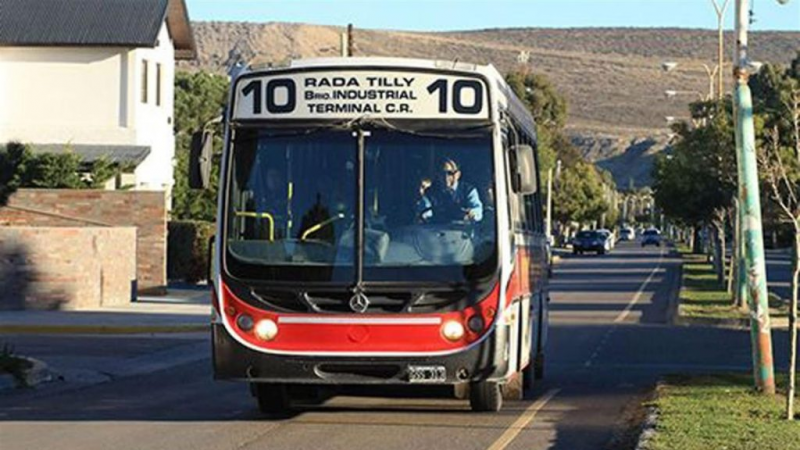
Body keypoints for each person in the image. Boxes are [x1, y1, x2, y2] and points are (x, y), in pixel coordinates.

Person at [416, 158, 483, 224]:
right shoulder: (430, 192)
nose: (446, 177)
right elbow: (424, 211)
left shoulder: (469, 191)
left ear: (458, 175)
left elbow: (477, 210)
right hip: (436, 231)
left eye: (450, 173)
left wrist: (473, 214)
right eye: (442, 173)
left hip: (463, 231)